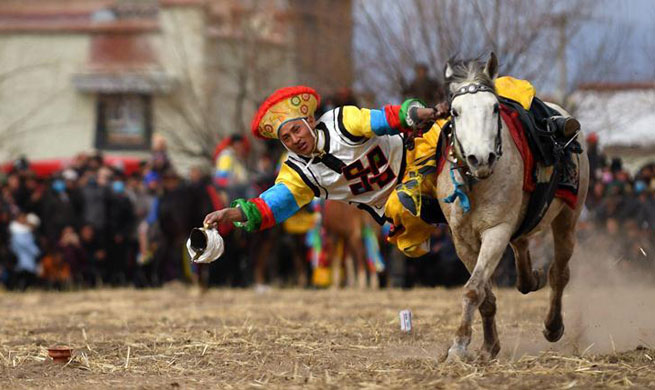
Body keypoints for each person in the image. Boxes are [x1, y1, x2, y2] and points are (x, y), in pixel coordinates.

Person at [204, 85, 448, 257]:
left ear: (310, 121)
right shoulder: (297, 172)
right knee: (408, 229)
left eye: (296, 130)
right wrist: (229, 214)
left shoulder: (342, 120)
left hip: (418, 155)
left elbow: (387, 118)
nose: (295, 140)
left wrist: (418, 113)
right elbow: (267, 208)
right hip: (398, 206)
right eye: (286, 138)